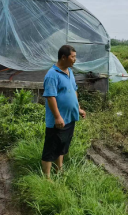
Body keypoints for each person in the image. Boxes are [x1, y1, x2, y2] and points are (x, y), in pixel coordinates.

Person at [41, 45, 86, 179]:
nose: (75, 60)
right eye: (73, 57)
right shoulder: (52, 75)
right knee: (51, 149)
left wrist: (78, 108)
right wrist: (57, 117)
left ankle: (59, 170)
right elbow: (50, 96)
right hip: (58, 120)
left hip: (70, 117)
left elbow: (74, 90)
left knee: (62, 146)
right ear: (63, 57)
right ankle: (47, 179)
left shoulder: (69, 72)